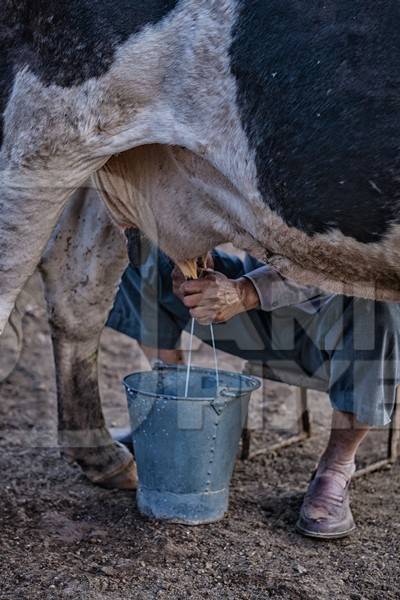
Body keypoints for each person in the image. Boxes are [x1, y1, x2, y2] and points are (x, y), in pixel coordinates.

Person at [107, 243, 400, 540]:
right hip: (261, 306)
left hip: (338, 326)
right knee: (146, 256)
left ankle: (335, 469)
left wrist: (246, 292)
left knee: (377, 298)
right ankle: (170, 417)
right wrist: (193, 253)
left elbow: (355, 261)